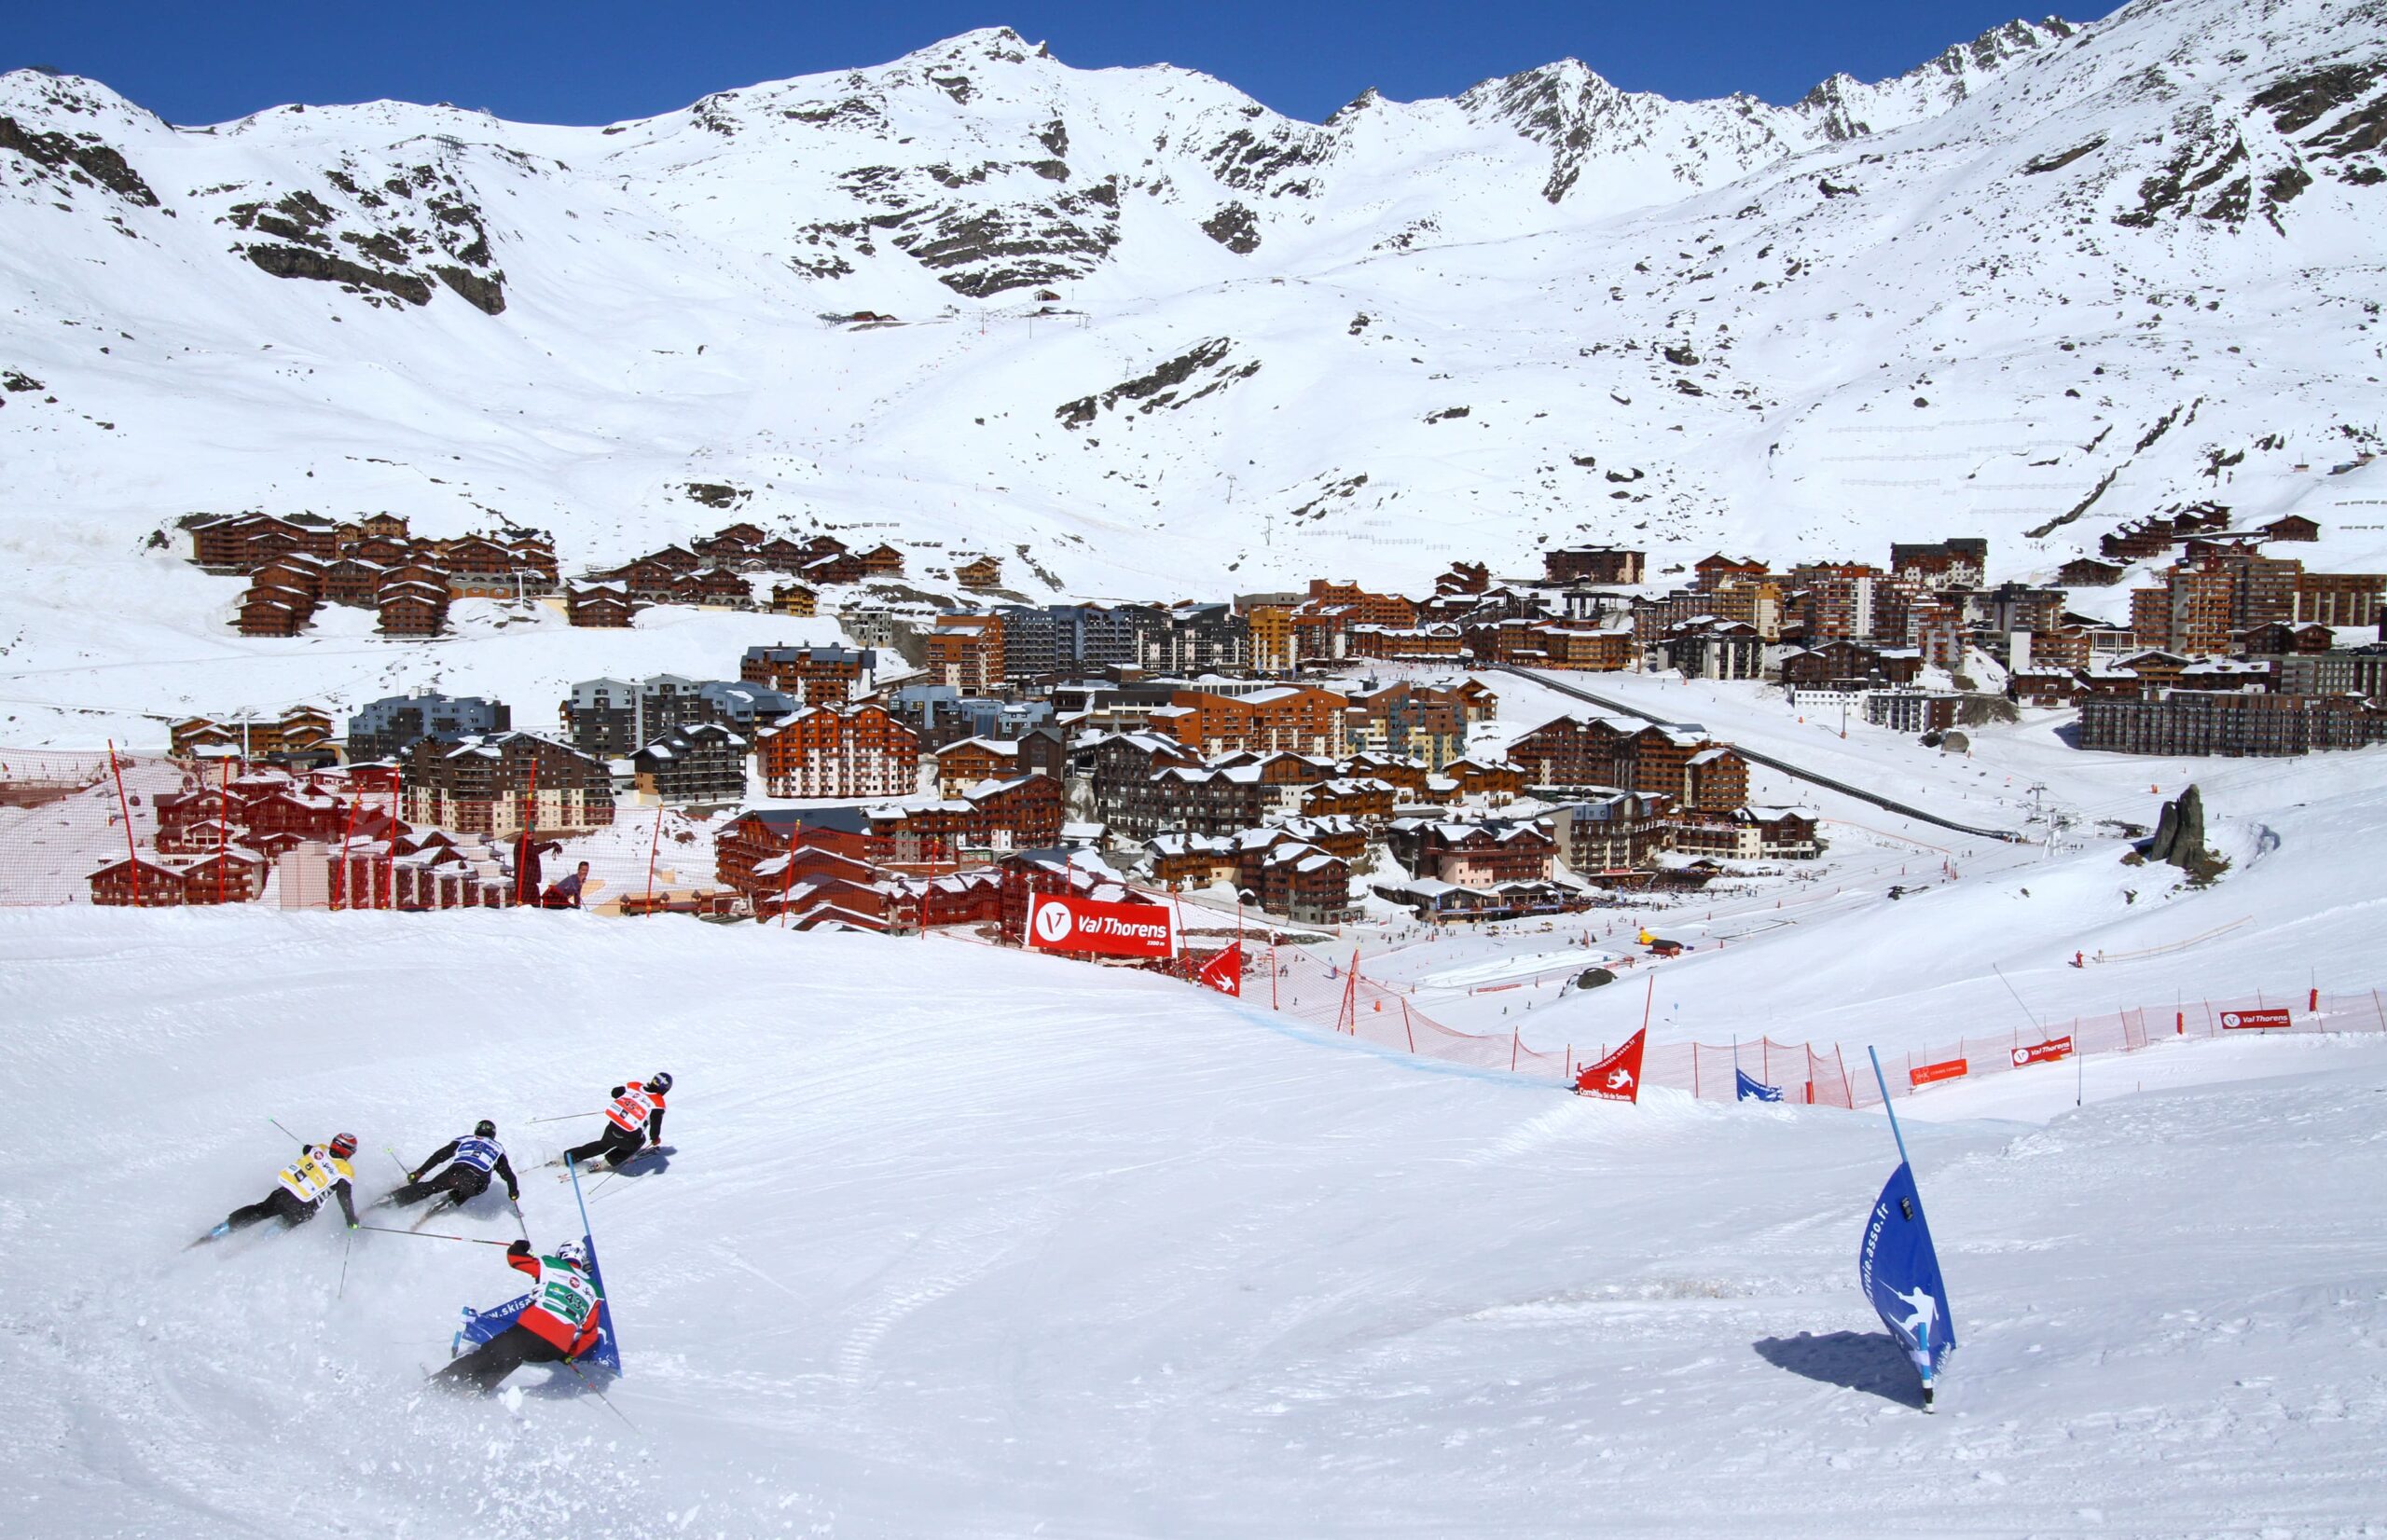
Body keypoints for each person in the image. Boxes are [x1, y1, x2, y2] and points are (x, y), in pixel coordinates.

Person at [432, 1239, 604, 1395]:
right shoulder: (594, 1291)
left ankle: (438, 1383)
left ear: (561, 1253)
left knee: (489, 1353)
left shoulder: (552, 1264)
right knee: (512, 1358)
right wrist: (568, 1354)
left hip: (531, 1332)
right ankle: (476, 1389)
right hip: (554, 1350)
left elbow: (515, 1259)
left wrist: (519, 1246)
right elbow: (590, 1336)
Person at [211, 1134, 360, 1237]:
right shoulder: (345, 1170)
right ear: (348, 1153)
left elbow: (307, 1149)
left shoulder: (319, 1149)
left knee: (261, 1210)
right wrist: (351, 1219)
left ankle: (222, 1229)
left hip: (284, 1194)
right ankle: (263, 1241)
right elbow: (344, 1197)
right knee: (286, 1223)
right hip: (305, 1207)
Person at [381, 1120, 520, 1212]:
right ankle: (452, 1200)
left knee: (431, 1187)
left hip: (455, 1173)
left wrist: (419, 1173)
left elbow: (439, 1156)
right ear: (493, 1134)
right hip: (476, 1181)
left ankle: (394, 1198)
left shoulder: (465, 1140)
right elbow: (508, 1175)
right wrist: (513, 1192)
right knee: (479, 1185)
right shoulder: (497, 1148)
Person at [561, 1072, 669, 1172]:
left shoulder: (635, 1086)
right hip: (629, 1136)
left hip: (613, 1127)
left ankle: (571, 1156)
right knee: (640, 1140)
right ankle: (606, 1162)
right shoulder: (658, 1102)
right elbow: (655, 1124)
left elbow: (615, 1092)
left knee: (603, 1145)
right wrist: (655, 1138)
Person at [509, 831, 563, 906]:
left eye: (532, 832)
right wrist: (551, 845)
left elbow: (533, 849)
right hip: (523, 883)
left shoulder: (528, 844)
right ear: (523, 833)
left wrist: (551, 845)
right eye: (528, 833)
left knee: (536, 906)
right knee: (526, 907)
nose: (531, 834)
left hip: (531, 881)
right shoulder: (521, 844)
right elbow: (534, 850)